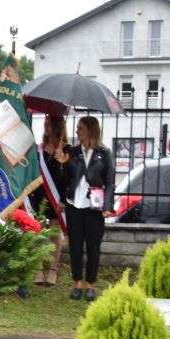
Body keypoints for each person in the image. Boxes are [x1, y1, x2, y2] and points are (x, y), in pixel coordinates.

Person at [64, 116, 114, 301]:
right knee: (75, 246)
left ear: (91, 130)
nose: (77, 131)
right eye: (77, 128)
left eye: (81, 128)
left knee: (93, 247)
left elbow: (109, 182)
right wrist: (63, 161)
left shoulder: (104, 153)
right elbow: (66, 177)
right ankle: (77, 283)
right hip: (74, 205)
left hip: (94, 207)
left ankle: (90, 285)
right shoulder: (72, 151)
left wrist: (107, 206)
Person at [32, 115, 69, 287]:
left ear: (57, 126)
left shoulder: (67, 150)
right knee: (37, 233)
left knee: (55, 233)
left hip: (57, 199)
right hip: (39, 197)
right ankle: (38, 269)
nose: (45, 127)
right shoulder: (38, 149)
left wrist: (62, 158)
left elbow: (70, 177)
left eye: (49, 124)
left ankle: (53, 271)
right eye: (45, 124)